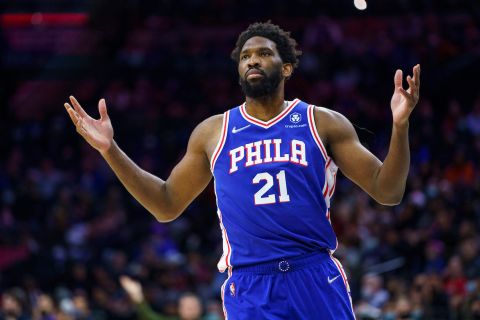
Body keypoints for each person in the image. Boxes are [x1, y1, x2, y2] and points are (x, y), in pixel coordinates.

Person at [64, 22, 420, 319]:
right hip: (251, 285)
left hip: (314, 273)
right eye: (246, 56)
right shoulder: (213, 131)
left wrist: (400, 126)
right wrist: (110, 150)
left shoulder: (321, 122)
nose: (253, 59)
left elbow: (388, 192)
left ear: (286, 67)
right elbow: (166, 204)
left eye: (264, 53)